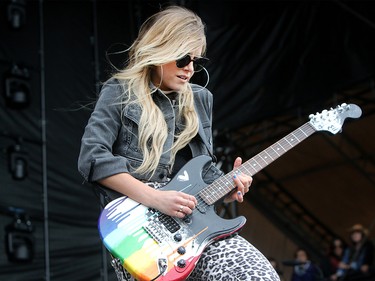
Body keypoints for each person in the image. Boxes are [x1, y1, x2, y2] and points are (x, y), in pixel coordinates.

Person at [77, 5, 280, 281]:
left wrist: (229, 185)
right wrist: (157, 198)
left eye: (197, 61)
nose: (190, 69)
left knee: (257, 274)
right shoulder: (119, 91)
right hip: (140, 231)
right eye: (183, 58)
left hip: (196, 226)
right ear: (160, 49)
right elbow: (92, 159)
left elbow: (204, 172)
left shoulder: (200, 100)